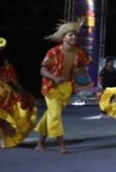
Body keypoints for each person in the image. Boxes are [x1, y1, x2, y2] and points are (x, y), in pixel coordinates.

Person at [35, 20, 91, 154]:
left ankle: (40, 143)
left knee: (52, 114)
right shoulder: (53, 52)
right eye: (70, 35)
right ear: (63, 37)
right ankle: (62, 145)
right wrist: (54, 78)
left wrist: (81, 76)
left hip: (66, 87)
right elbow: (42, 70)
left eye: (75, 35)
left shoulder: (79, 52)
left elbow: (82, 67)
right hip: (51, 87)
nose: (73, 37)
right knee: (55, 115)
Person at [0, 37, 37, 149]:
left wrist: (21, 91)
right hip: (4, 90)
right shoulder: (4, 62)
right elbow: (12, 79)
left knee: (2, 117)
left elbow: (12, 78)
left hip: (3, 90)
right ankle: (2, 141)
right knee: (3, 117)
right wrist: (21, 90)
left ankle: (2, 140)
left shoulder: (4, 63)